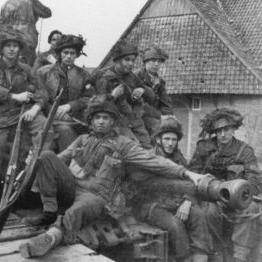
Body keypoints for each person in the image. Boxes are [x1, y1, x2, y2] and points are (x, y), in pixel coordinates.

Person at [19, 95, 205, 258]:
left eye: (105, 118)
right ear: (91, 121)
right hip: (72, 186)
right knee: (46, 156)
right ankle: (48, 210)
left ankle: (51, 237)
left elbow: (155, 161)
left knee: (75, 212)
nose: (101, 122)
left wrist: (187, 173)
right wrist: (34, 162)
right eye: (97, 118)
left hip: (97, 197)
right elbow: (57, 161)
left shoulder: (124, 145)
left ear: (113, 122)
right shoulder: (82, 140)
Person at [0, 29, 53, 221]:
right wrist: (13, 96)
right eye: (8, 46)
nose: (12, 50)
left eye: (16, 46)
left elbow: (42, 93)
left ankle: (30, 186)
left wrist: (35, 108)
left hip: (21, 114)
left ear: (20, 49)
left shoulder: (25, 69)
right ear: (2, 48)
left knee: (46, 131)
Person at [188, 108, 262, 262]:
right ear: (214, 131)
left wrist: (241, 192)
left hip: (236, 199)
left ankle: (240, 256)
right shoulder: (203, 148)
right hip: (210, 197)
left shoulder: (244, 151)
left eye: (227, 129)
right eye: (218, 130)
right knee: (209, 212)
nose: (223, 134)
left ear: (233, 129)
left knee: (252, 208)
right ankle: (217, 251)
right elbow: (192, 174)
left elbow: (255, 179)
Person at [136, 116, 212, 262]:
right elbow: (145, 188)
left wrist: (188, 201)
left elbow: (190, 184)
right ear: (158, 139)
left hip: (176, 202)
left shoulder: (179, 159)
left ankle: (200, 258)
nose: (170, 143)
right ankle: (184, 259)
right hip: (152, 206)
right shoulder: (149, 158)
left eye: (174, 140)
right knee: (175, 226)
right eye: (166, 139)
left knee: (199, 216)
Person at [37, 34, 93, 151]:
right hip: (48, 118)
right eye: (65, 52)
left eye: (72, 53)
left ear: (77, 55)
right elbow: (39, 97)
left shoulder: (84, 75)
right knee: (65, 132)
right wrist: (54, 111)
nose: (68, 56)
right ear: (59, 54)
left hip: (76, 118)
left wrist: (70, 106)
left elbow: (89, 98)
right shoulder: (44, 72)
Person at [94, 41, 154, 148]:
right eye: (127, 60)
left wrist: (142, 89)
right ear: (117, 61)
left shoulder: (131, 76)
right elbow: (97, 106)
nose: (131, 63)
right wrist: (112, 96)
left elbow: (152, 97)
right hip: (114, 123)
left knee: (149, 145)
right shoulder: (104, 77)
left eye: (133, 60)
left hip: (133, 120)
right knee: (134, 147)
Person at [0, 0, 52, 65]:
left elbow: (1, 23)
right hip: (26, 39)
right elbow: (47, 13)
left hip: (8, 40)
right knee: (27, 67)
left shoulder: (6, 3)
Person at [134, 46, 173, 135]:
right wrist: (160, 116)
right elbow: (138, 102)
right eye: (153, 61)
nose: (156, 64)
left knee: (172, 128)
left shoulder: (159, 81)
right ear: (145, 62)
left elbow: (165, 101)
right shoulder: (136, 76)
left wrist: (169, 115)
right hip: (138, 115)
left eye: (159, 61)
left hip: (153, 116)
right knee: (158, 130)